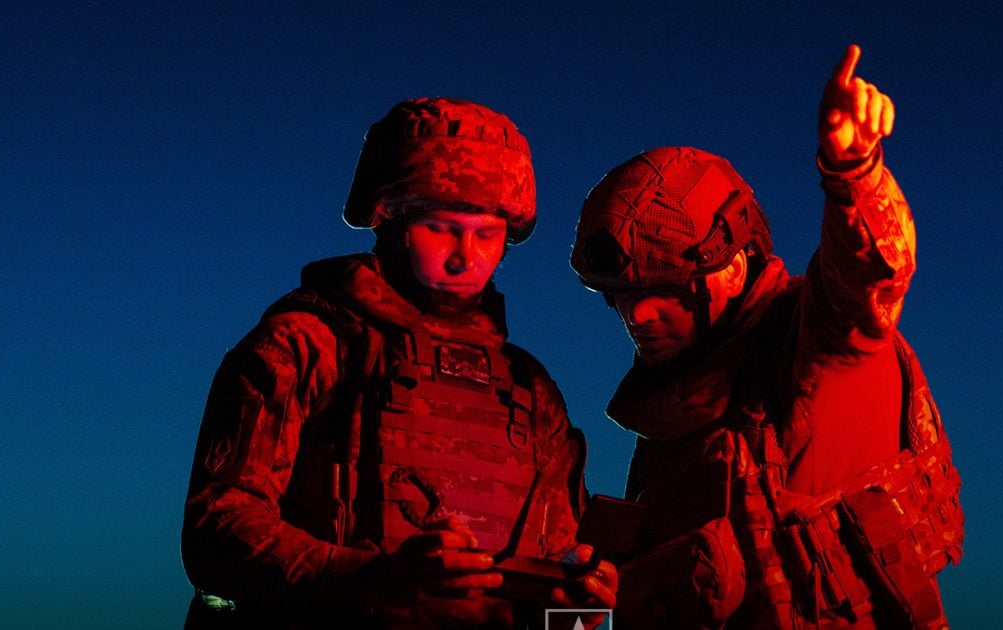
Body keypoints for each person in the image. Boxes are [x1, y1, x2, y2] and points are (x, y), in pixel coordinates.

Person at [182, 97, 617, 629]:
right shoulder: (308, 344)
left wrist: (581, 608)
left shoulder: (529, 389)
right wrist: (371, 581)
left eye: (486, 235)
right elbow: (216, 534)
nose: (465, 256)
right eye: (441, 228)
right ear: (389, 218)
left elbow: (557, 600)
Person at [570, 45, 963, 628]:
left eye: (668, 291)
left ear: (732, 266)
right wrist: (584, 603)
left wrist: (854, 174)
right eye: (621, 296)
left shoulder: (816, 349)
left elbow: (867, 278)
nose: (638, 314)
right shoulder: (668, 439)